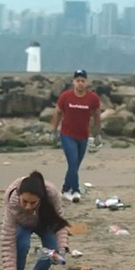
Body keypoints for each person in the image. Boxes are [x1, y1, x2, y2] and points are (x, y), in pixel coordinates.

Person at [0, 171, 70, 270]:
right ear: (19, 196)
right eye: (24, 201)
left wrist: (62, 248)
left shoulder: (52, 195)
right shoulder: (12, 201)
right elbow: (7, 242)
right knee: (21, 246)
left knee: (51, 252)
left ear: (41, 199)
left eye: (33, 203)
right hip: (22, 225)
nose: (28, 206)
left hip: (44, 223)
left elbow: (59, 222)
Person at [50, 69, 101, 203]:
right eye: (77, 81)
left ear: (86, 82)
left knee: (75, 166)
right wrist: (53, 130)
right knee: (72, 161)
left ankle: (65, 189)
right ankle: (75, 190)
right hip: (67, 135)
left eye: (82, 81)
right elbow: (58, 112)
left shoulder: (92, 98)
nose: (80, 83)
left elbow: (97, 115)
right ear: (73, 82)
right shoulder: (66, 96)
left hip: (83, 136)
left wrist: (97, 134)